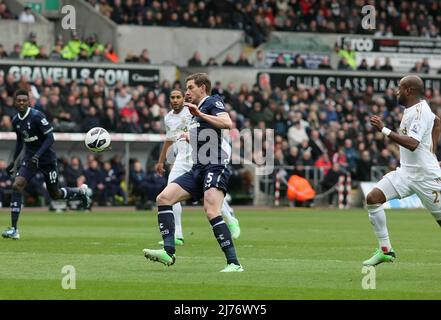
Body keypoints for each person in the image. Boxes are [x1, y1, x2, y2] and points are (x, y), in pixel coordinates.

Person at [143, 73, 243, 272]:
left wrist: (200, 115)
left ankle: (234, 263)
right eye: (186, 88)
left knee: (211, 210)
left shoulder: (212, 102)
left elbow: (227, 123)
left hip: (215, 165)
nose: (187, 92)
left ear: (203, 88)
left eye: (190, 88)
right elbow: (205, 133)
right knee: (163, 198)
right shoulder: (191, 111)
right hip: (198, 167)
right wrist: (189, 136)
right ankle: (168, 252)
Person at [364, 75, 441, 266]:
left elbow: (413, 144)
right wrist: (432, 151)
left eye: (399, 88)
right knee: (373, 198)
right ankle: (385, 250)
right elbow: (437, 122)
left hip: (426, 177)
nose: (396, 92)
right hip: (406, 173)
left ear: (408, 91)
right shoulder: (415, 110)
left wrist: (384, 130)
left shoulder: (419, 112)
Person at [2, 89, 92, 240]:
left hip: (47, 159)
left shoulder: (37, 116)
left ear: (29, 101)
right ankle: (14, 229)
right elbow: (20, 141)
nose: (22, 102)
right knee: (17, 185)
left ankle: (79, 192)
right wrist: (13, 161)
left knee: (55, 195)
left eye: (25, 100)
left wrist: (38, 155)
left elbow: (50, 138)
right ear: (15, 102)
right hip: (30, 159)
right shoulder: (15, 120)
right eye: (19, 100)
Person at [154, 89, 240, 246]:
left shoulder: (193, 109)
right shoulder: (168, 118)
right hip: (181, 158)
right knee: (168, 194)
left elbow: (216, 124)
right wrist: (161, 161)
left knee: (209, 194)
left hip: (199, 156)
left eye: (178, 96)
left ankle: (230, 219)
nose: (175, 100)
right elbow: (169, 139)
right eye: (172, 97)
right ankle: (177, 234)